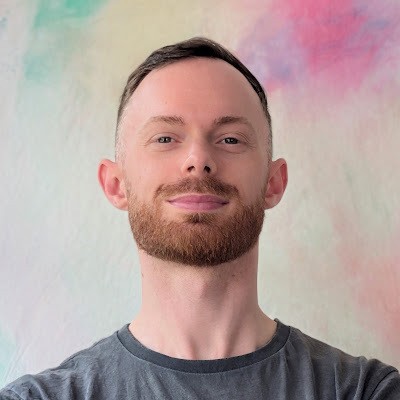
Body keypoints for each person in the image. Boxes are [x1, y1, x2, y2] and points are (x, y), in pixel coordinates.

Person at [1, 37, 399, 400]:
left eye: (230, 139)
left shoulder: (366, 391)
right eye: (165, 138)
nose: (198, 159)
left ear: (273, 183)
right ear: (116, 184)